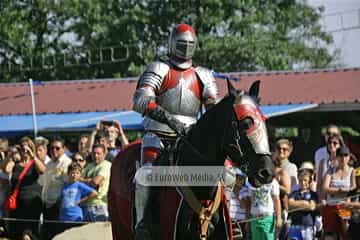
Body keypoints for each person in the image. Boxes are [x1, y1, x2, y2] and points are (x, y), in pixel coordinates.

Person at [132, 23, 218, 237]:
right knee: (146, 175)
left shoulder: (203, 75)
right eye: (182, 43)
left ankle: (225, 218)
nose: (186, 47)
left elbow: (213, 110)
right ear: (172, 43)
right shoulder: (159, 69)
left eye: (190, 44)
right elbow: (140, 100)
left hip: (191, 138)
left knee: (222, 174)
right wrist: (168, 118)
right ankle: (143, 222)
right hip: (158, 133)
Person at [4, 137, 46, 240]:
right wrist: (10, 154)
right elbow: (5, 169)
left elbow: (42, 170)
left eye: (27, 149)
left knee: (28, 235)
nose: (25, 151)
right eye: (22, 149)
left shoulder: (35, 163)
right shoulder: (15, 164)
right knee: (17, 233)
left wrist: (33, 155)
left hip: (32, 204)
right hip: (17, 204)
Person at [41, 136, 72, 240]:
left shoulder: (67, 163)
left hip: (59, 206)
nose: (54, 150)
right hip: (47, 205)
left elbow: (68, 185)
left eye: (57, 148)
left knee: (58, 236)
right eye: (52, 148)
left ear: (64, 149)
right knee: (47, 235)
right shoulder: (49, 164)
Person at [322, 146, 356, 239]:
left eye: (345, 155)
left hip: (345, 206)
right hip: (330, 206)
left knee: (345, 234)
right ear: (336, 157)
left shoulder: (352, 171)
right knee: (329, 235)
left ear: (349, 157)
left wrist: (334, 191)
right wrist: (342, 190)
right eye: (340, 155)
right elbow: (325, 188)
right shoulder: (331, 170)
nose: (343, 158)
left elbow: (353, 187)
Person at [58, 162, 97, 233]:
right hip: (64, 218)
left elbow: (94, 193)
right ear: (68, 173)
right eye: (72, 173)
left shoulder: (79, 185)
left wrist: (81, 201)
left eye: (77, 173)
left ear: (80, 175)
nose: (74, 175)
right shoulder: (64, 186)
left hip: (75, 217)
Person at [81, 144, 111, 222]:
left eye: (98, 153)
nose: (95, 156)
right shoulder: (89, 166)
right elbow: (75, 180)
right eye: (94, 153)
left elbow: (95, 182)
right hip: (85, 205)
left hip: (99, 206)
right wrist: (90, 181)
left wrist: (84, 181)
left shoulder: (106, 165)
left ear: (104, 154)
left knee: (100, 233)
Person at [288, 169, 319, 240]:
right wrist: (305, 203)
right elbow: (290, 204)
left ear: (310, 181)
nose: (302, 182)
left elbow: (312, 207)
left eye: (305, 180)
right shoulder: (294, 193)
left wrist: (297, 204)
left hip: (308, 226)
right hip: (295, 226)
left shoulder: (313, 194)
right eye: (300, 180)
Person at [229, 168, 248, 240]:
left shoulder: (245, 190)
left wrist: (237, 194)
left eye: (241, 178)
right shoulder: (229, 189)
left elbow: (244, 205)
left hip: (241, 221)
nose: (239, 181)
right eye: (237, 178)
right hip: (231, 221)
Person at [343, 166, 360, 239]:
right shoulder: (351, 192)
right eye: (357, 178)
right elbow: (344, 209)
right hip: (352, 225)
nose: (358, 180)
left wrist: (350, 205)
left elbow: (348, 205)